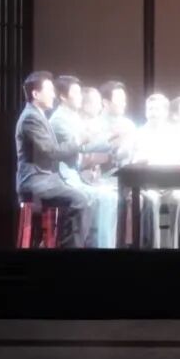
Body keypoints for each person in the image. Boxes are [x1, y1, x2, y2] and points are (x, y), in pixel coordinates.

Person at [14, 71, 108, 248]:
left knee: (86, 197)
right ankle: (67, 247)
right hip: (36, 182)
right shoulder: (30, 118)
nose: (53, 95)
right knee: (81, 200)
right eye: (49, 90)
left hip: (48, 179)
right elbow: (51, 151)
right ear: (36, 94)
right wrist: (79, 140)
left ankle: (56, 243)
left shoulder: (38, 115)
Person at [48, 75, 121, 248]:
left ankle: (101, 243)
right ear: (63, 96)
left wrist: (109, 141)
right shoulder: (59, 120)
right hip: (65, 178)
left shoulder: (72, 117)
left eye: (80, 92)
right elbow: (83, 146)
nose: (80, 97)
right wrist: (111, 139)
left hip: (77, 175)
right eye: (76, 93)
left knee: (113, 194)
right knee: (107, 197)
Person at [131, 93, 180, 248]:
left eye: (156, 109)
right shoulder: (138, 133)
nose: (153, 113)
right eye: (149, 109)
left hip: (171, 185)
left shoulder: (175, 133)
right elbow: (132, 162)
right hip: (148, 186)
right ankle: (155, 247)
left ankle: (173, 246)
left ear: (165, 112)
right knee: (152, 201)